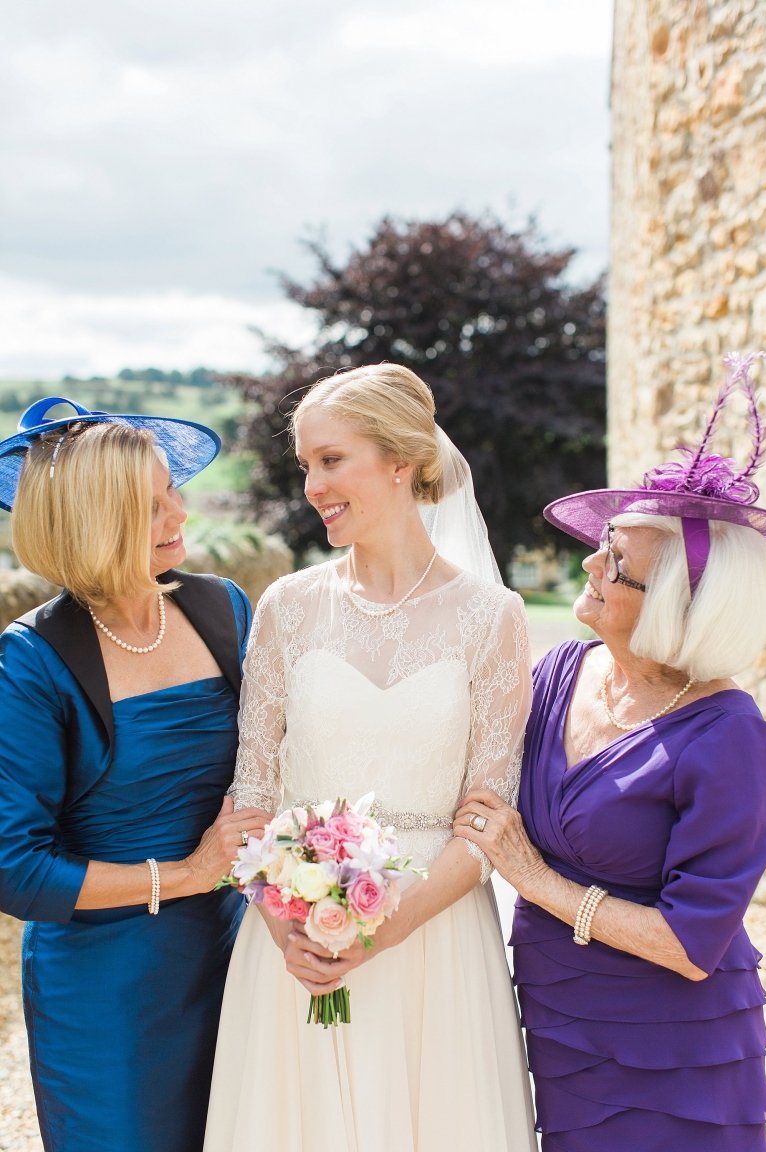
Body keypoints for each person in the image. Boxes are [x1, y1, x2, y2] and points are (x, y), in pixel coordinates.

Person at [204, 364, 537, 1151]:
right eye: (305, 465)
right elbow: (250, 798)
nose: (312, 486)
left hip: (436, 943)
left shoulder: (492, 617)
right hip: (294, 943)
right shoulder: (288, 607)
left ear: (401, 461)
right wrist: (290, 930)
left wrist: (382, 932)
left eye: (331, 460)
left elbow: (486, 825)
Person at [455, 353, 766, 1151]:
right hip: (560, 1021)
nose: (590, 563)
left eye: (618, 563)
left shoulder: (729, 733)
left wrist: (531, 877)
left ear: (673, 607)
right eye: (604, 545)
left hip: (677, 1049)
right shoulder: (558, 671)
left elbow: (692, 946)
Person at [0, 397, 270, 1152]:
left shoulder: (224, 608)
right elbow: (14, 869)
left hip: (235, 960)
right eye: (150, 505)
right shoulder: (30, 661)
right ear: (93, 521)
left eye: (172, 490)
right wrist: (187, 875)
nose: (179, 513)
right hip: (105, 994)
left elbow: (272, 764)